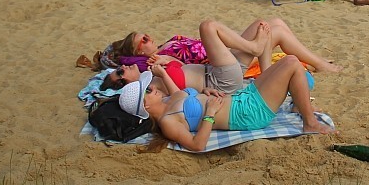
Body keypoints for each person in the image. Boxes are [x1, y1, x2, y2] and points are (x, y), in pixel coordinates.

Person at [119, 53, 333, 152]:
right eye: (148, 90)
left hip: (241, 98)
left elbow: (186, 93)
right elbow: (197, 145)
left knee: (288, 60)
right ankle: (309, 122)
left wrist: (204, 91)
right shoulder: (168, 122)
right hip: (247, 113)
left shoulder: (169, 100)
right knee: (293, 65)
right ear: (145, 107)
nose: (153, 87)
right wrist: (210, 113)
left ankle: (299, 106)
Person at [107, 18, 341, 75]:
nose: (149, 38)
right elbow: (180, 71)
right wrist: (167, 60)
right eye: (144, 40)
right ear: (139, 51)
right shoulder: (154, 60)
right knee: (275, 30)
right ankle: (320, 64)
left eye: (146, 35)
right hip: (221, 64)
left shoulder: (167, 43)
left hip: (226, 51)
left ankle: (257, 52)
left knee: (275, 23)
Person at [102, 19, 273, 93]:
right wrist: (164, 74)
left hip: (217, 71)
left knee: (262, 25)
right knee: (207, 26)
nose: (122, 67)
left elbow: (183, 69)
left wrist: (166, 61)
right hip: (219, 81)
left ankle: (266, 79)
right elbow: (178, 98)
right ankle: (254, 47)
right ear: (126, 84)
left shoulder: (149, 73)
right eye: (119, 73)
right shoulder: (150, 90)